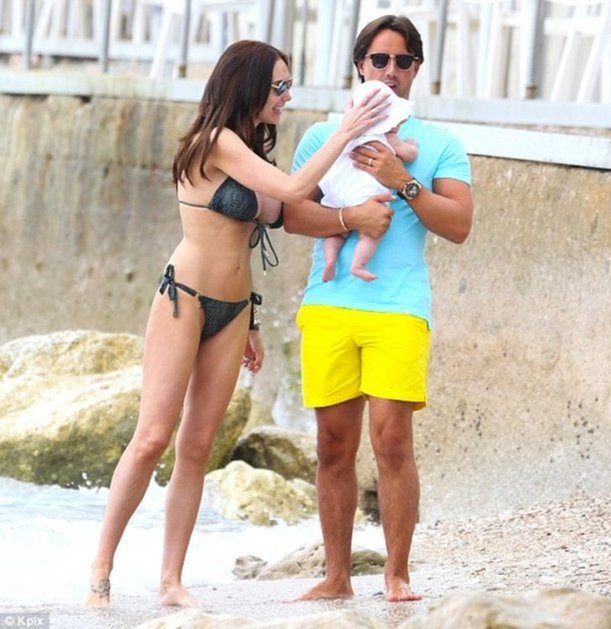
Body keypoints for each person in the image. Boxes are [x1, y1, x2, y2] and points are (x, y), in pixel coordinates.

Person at [86, 39, 389, 609]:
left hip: (232, 310)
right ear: (248, 86)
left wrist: (252, 318)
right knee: (152, 438)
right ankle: (100, 570)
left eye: (289, 85)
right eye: (279, 86)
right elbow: (293, 190)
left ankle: (171, 582)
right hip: (185, 300)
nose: (286, 96)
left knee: (198, 445)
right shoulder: (217, 141)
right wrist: (345, 130)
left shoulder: (250, 147)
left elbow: (277, 217)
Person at [284, 15, 473, 602]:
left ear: (417, 68)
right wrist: (349, 217)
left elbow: (459, 225)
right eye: (379, 60)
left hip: (399, 308)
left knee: (392, 441)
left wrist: (402, 180)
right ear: (360, 66)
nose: (391, 71)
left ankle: (397, 575)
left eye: (403, 60)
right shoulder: (323, 135)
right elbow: (291, 214)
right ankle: (337, 577)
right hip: (330, 303)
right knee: (331, 445)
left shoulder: (438, 144)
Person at [319, 80, 417, 282]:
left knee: (336, 231)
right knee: (372, 232)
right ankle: (358, 265)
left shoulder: (347, 133)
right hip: (364, 194)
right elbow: (409, 155)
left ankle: (330, 260)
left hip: (337, 188)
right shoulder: (387, 137)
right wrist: (411, 146)